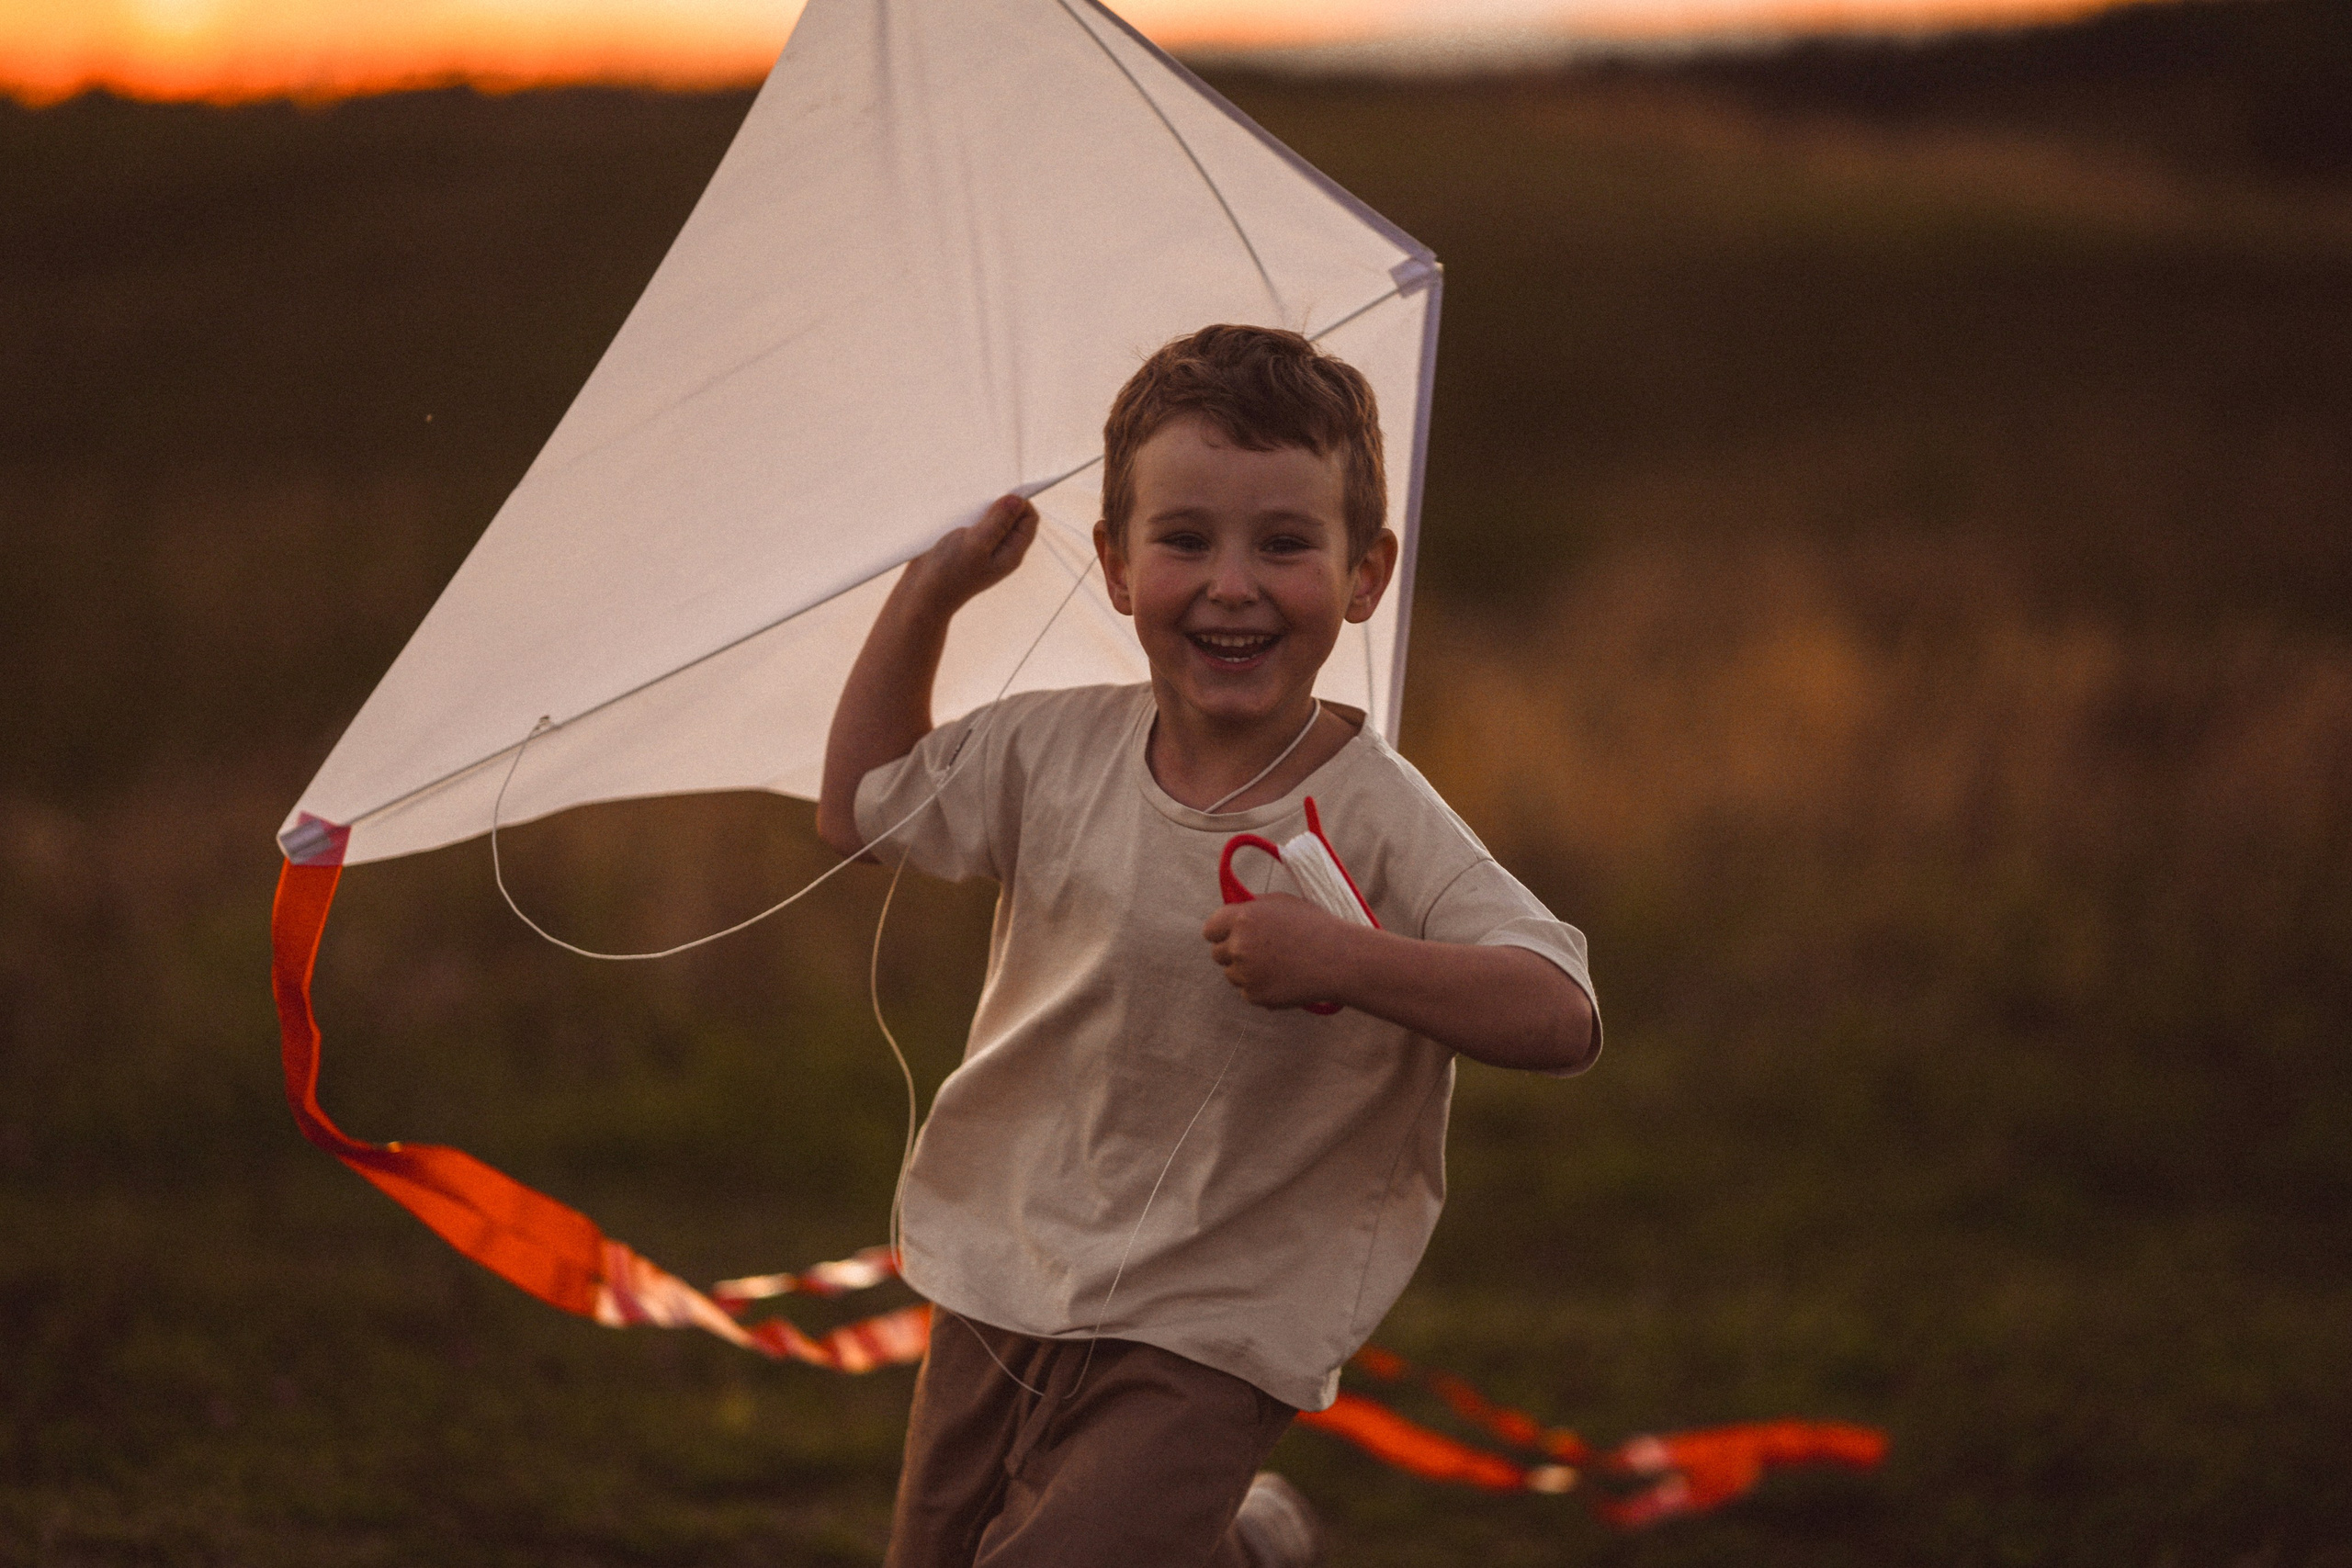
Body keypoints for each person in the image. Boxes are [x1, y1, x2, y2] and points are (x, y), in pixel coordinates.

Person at [816, 324, 1599, 1568]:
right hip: (1009, 1257)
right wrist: (931, 592)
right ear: (1117, 566)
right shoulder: (1048, 749)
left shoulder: (1379, 815)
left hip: (1220, 1310)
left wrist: (1344, 960)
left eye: (1284, 544)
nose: (1233, 584)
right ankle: (1243, 1551)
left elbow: (1561, 1012)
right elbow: (859, 813)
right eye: (1184, 540)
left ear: (1365, 574)